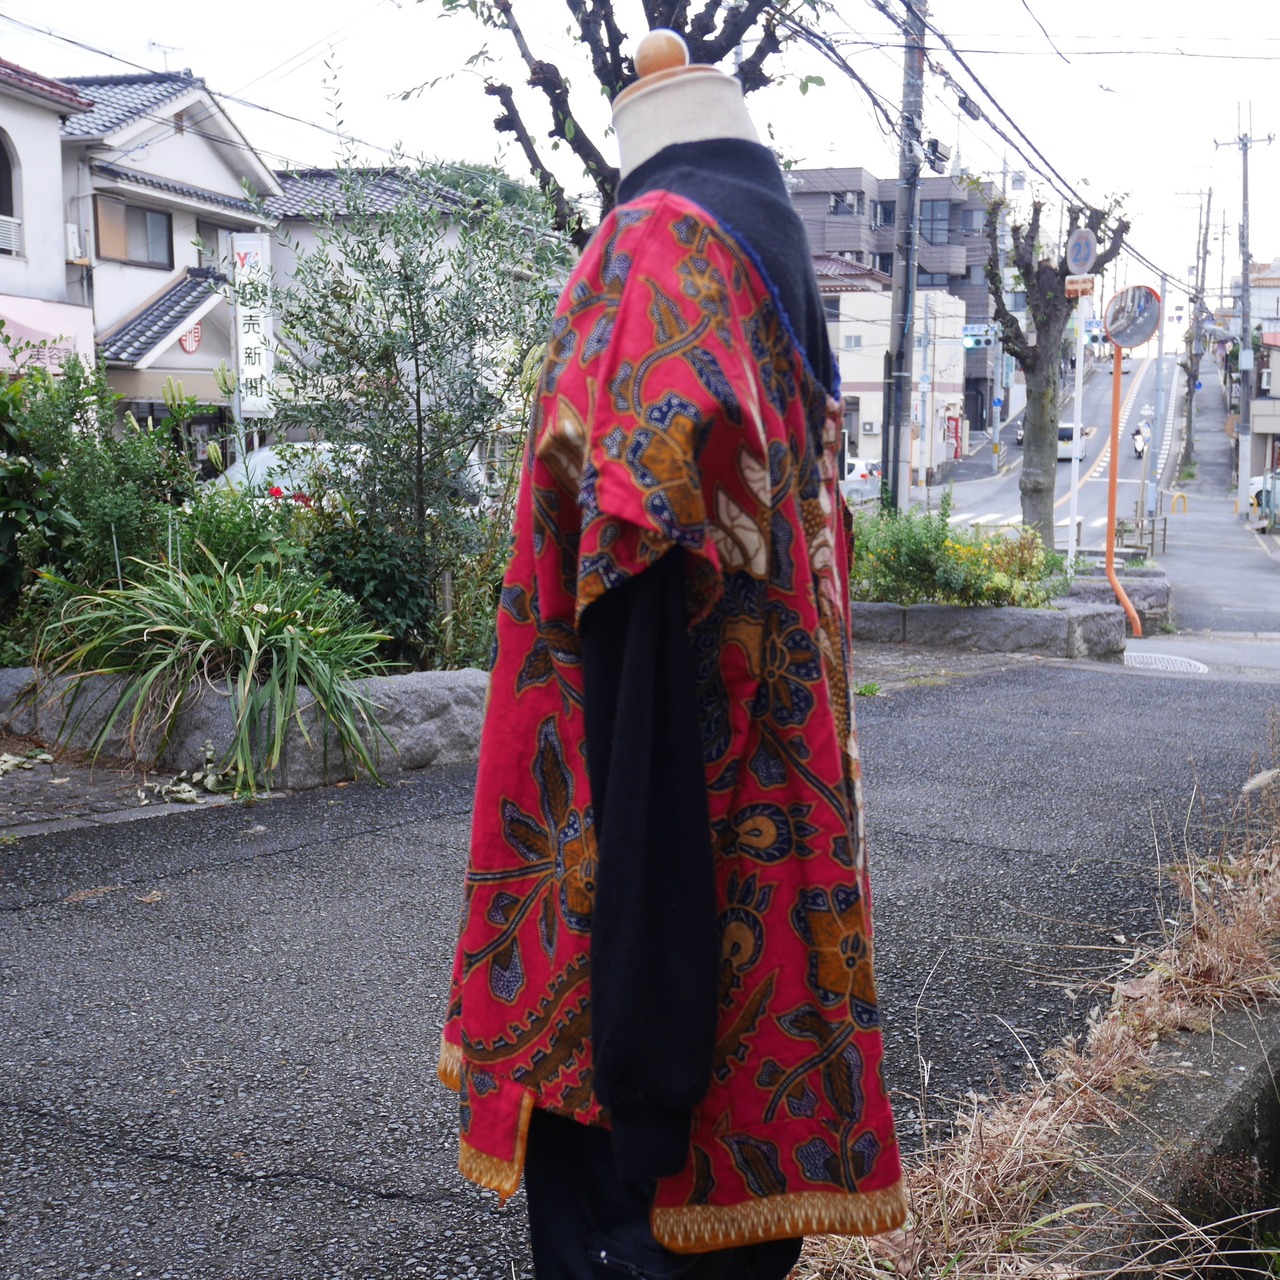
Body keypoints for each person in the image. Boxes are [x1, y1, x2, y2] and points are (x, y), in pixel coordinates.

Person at [439, 29, 905, 1278]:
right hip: (756, 937)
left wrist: (644, 1059)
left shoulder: (657, 251)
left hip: (631, 962)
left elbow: (636, 655)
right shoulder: (763, 259)